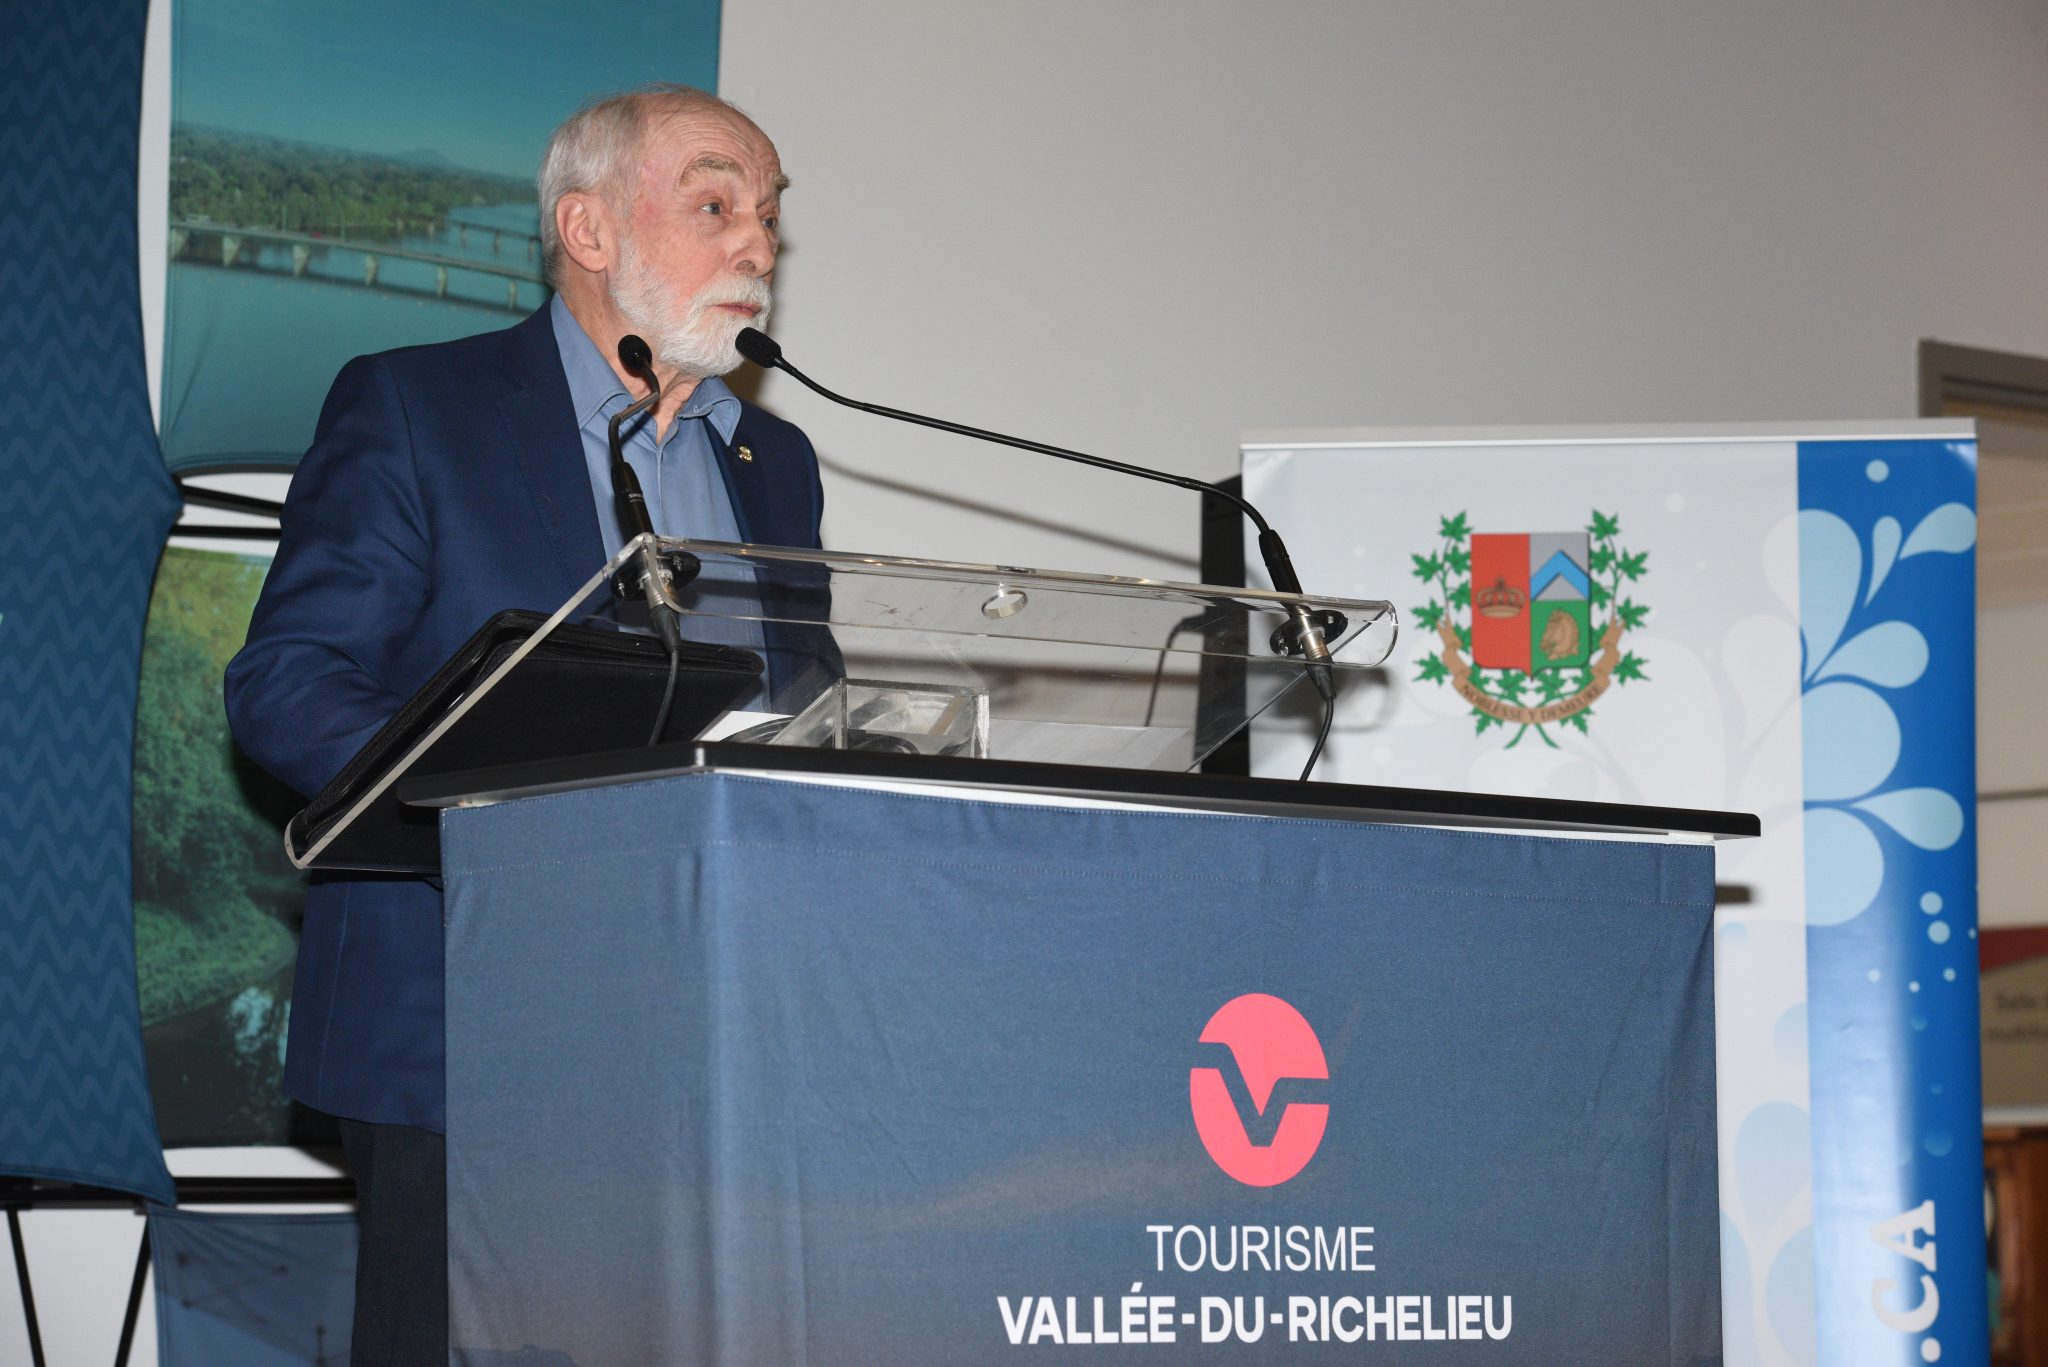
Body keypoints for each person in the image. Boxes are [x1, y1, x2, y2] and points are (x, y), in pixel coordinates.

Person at [224, 84, 822, 1364]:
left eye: (769, 216)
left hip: (720, 1036)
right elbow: (288, 680)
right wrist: (502, 817)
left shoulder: (776, 464)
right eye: (716, 205)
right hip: (467, 1022)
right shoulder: (417, 408)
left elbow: (803, 705)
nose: (758, 245)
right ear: (588, 230)